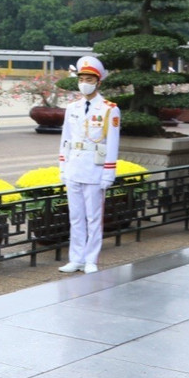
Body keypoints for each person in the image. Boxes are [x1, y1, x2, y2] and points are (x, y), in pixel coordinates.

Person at [58, 56, 121, 274]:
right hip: (74, 167)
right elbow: (65, 139)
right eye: (82, 78)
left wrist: (108, 173)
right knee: (75, 217)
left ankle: (91, 259)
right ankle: (76, 258)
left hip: (95, 169)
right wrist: (63, 167)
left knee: (94, 217)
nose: (84, 82)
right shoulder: (72, 107)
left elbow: (112, 143)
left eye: (89, 79)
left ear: (98, 82)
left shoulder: (109, 109)